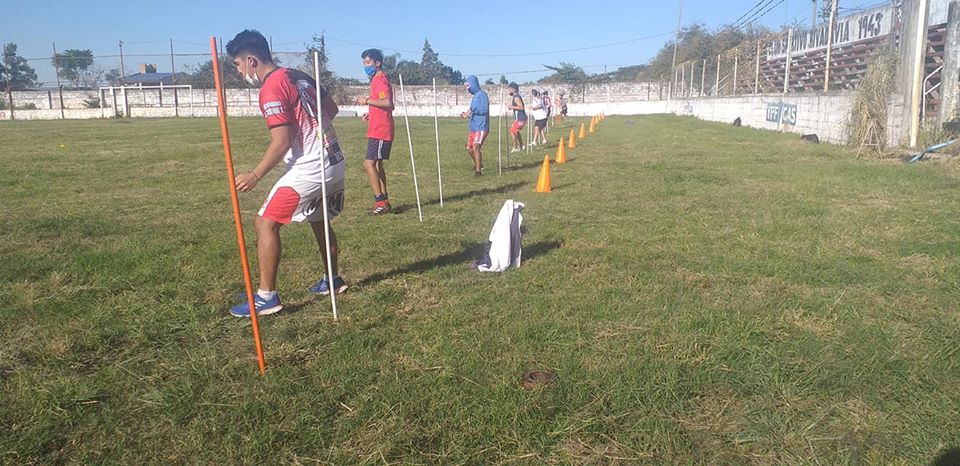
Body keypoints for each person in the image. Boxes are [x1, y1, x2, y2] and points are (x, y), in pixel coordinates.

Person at [225, 29, 348, 317]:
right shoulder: (298, 75)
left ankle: (267, 297)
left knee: (265, 223)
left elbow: (281, 142)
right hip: (334, 158)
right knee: (319, 219)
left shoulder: (271, 87)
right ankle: (333, 280)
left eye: (237, 64)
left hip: (311, 167)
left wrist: (255, 175)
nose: (238, 71)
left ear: (251, 59)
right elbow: (332, 108)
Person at [354, 48, 394, 216]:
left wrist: (367, 101)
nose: (365, 66)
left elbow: (388, 103)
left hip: (381, 130)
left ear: (377, 63)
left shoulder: (379, 79)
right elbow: (383, 104)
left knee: (368, 164)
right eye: (364, 63)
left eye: (368, 62)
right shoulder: (377, 80)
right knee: (377, 164)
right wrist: (371, 114)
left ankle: (380, 202)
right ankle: (384, 200)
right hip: (379, 126)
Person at [461, 75, 490, 176]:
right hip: (473, 127)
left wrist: (473, 111)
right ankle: (478, 164)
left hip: (482, 126)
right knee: (469, 148)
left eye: (469, 86)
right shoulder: (474, 97)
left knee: (476, 147)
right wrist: (466, 114)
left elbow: (484, 110)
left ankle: (478, 171)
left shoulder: (482, 95)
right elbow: (471, 110)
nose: (468, 89)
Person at [506, 82, 526, 153]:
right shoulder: (515, 97)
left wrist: (512, 107)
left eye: (510, 89)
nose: (509, 90)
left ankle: (515, 148)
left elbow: (521, 107)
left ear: (514, 89)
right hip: (519, 118)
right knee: (516, 132)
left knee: (512, 131)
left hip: (521, 118)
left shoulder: (516, 97)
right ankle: (522, 146)